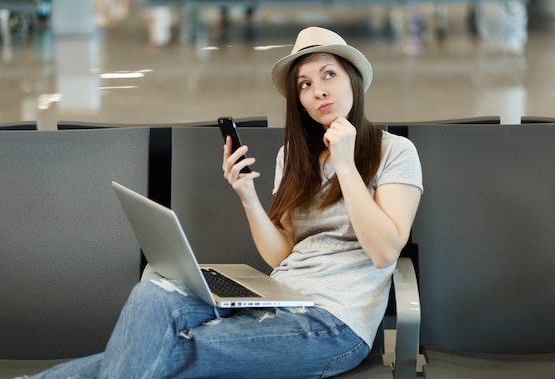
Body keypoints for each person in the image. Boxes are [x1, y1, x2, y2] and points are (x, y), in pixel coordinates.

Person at [23, 26, 423, 379]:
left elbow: (385, 251)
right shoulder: (293, 156)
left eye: (328, 75)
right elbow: (280, 254)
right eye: (304, 84)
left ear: (352, 79)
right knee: (152, 295)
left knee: (160, 350)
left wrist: (346, 166)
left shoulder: (395, 151)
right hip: (277, 303)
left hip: (333, 327)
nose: (318, 90)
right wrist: (247, 196)